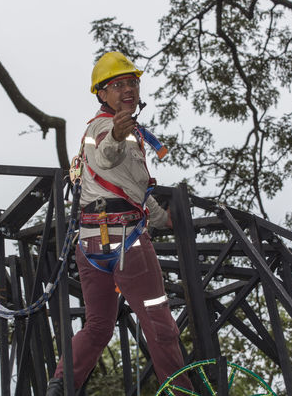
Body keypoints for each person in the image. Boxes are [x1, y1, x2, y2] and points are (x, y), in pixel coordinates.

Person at [46, 51, 192, 395]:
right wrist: (115, 134)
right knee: (159, 323)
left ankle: (60, 383)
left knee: (98, 326)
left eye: (132, 83)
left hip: (92, 244)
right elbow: (106, 152)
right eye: (118, 85)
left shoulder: (111, 131)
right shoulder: (105, 128)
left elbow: (134, 188)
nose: (128, 89)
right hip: (126, 242)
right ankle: (182, 391)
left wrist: (161, 218)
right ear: (102, 93)